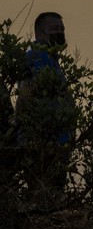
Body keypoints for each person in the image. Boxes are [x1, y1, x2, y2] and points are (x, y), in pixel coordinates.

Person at [17, 11, 75, 198]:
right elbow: (33, 94)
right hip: (45, 140)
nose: (60, 33)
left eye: (62, 29)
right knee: (46, 194)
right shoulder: (38, 57)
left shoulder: (50, 58)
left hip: (54, 139)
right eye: (55, 29)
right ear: (40, 32)